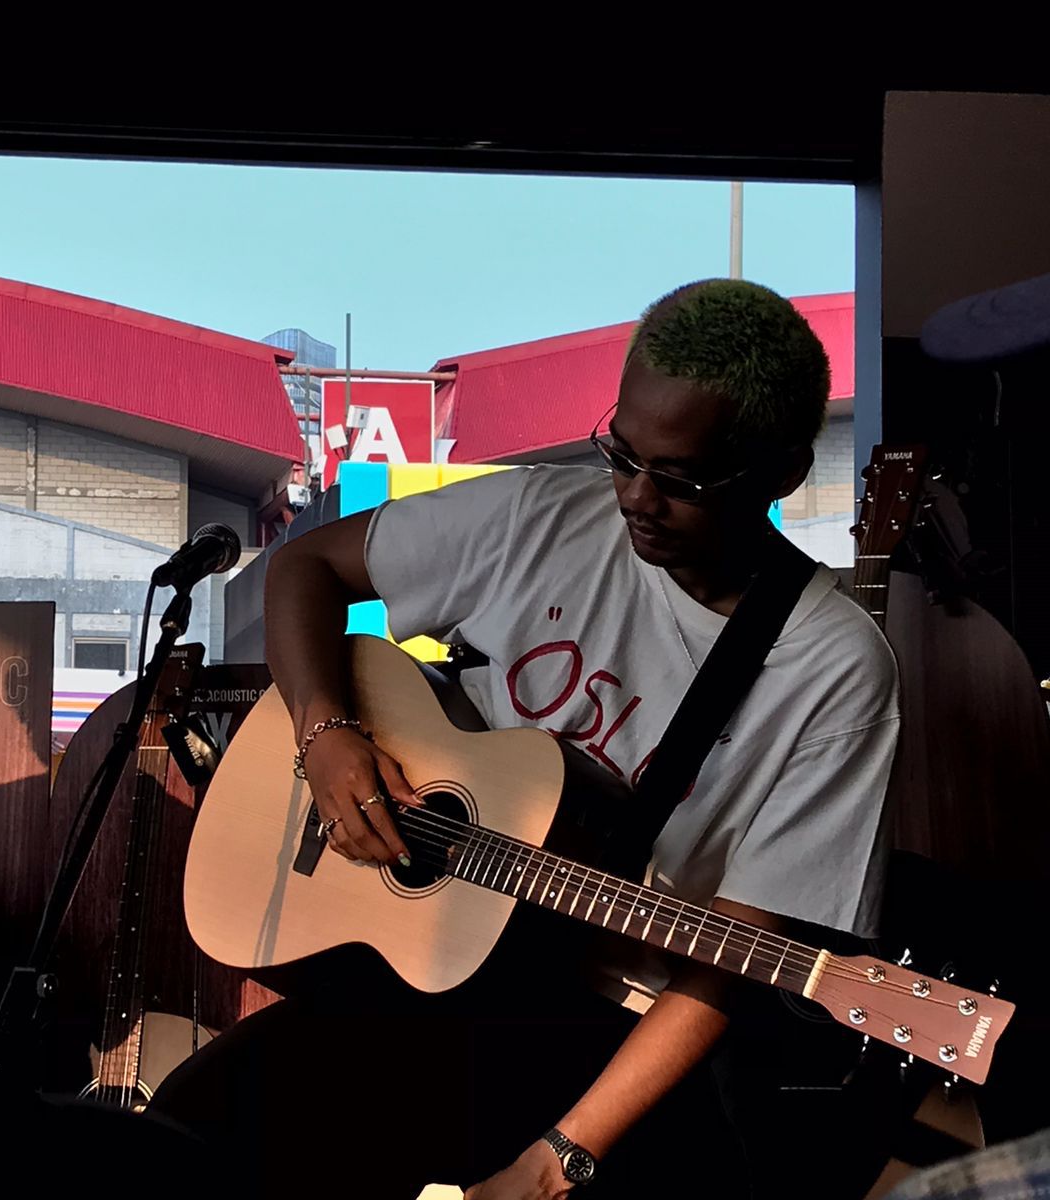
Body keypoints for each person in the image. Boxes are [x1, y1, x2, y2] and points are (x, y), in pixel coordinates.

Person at [146, 280, 900, 1199]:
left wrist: (561, 1159)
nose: (635, 496)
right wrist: (329, 734)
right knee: (189, 1132)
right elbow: (305, 566)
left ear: (783, 471)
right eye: (622, 454)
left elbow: (727, 964)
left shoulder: (834, 669)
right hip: (428, 959)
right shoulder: (539, 517)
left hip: (613, 1022)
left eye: (682, 479)